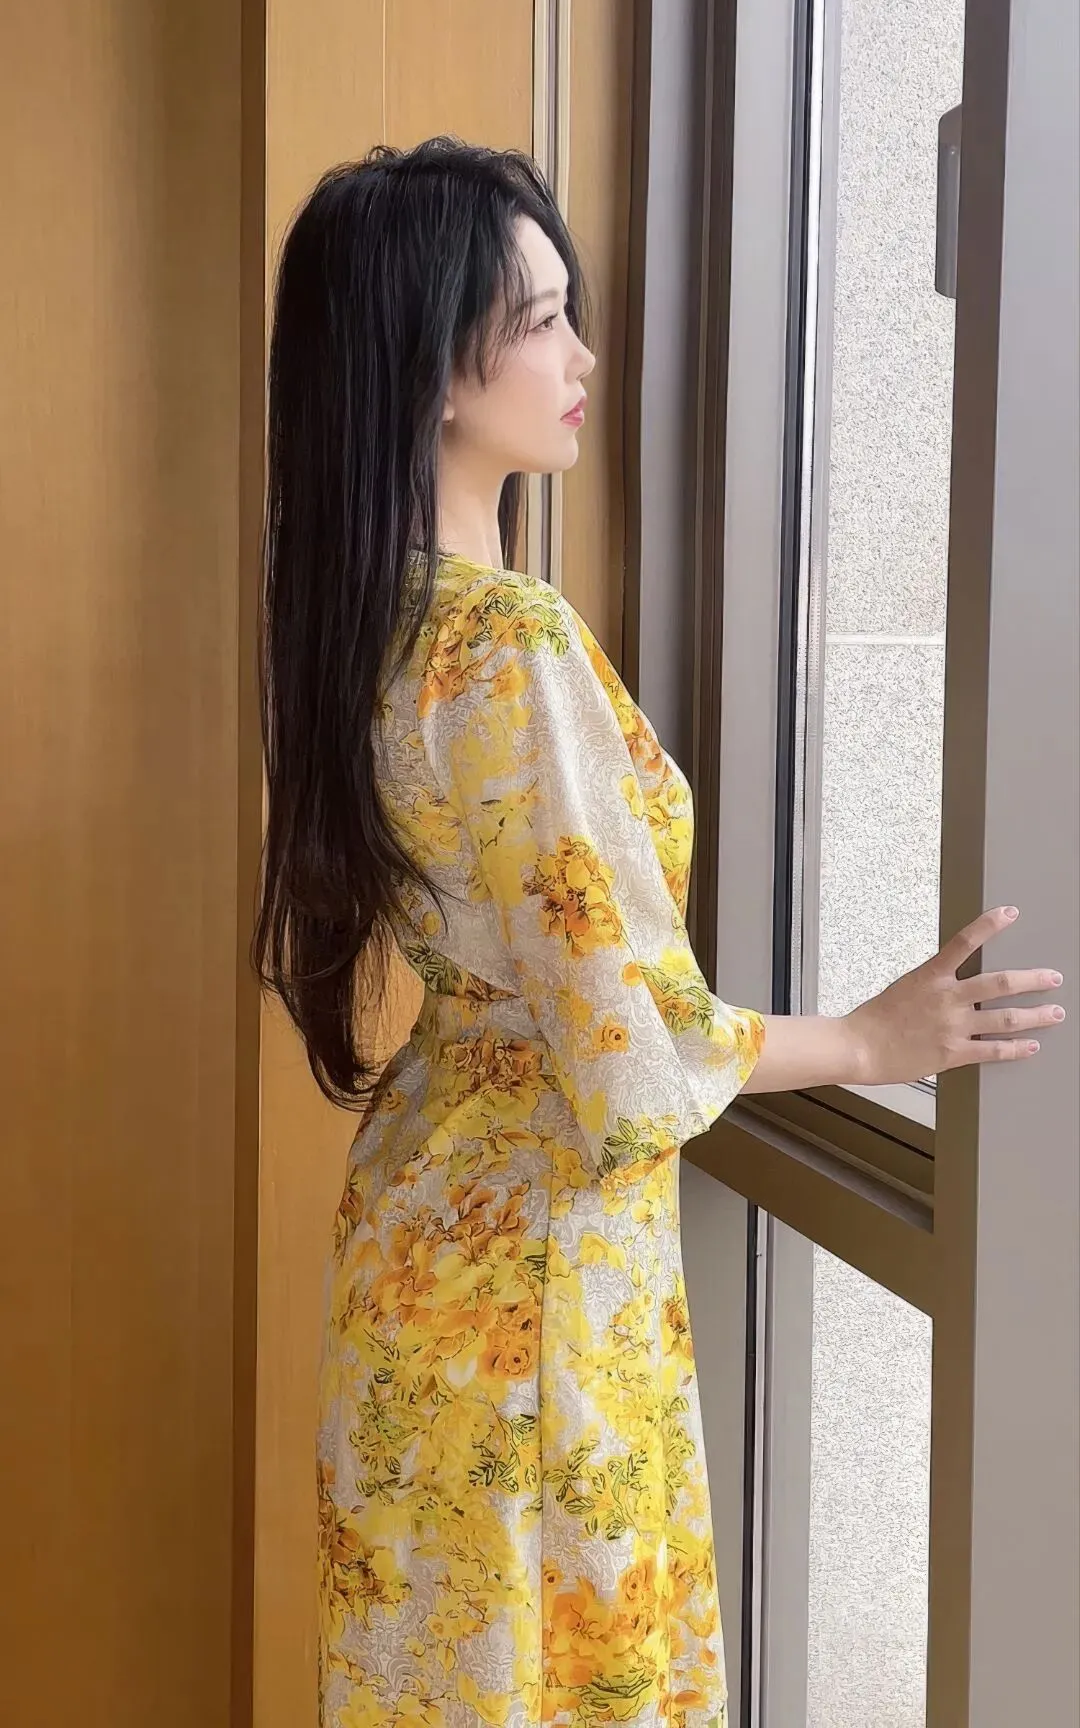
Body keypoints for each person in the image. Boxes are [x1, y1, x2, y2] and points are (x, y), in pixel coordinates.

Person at [255, 138, 1066, 1728]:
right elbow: (629, 1051)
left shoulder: (365, 620)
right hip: (540, 1273)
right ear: (434, 371)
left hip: (428, 1235)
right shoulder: (507, 643)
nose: (583, 358)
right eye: (541, 321)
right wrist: (871, 1039)